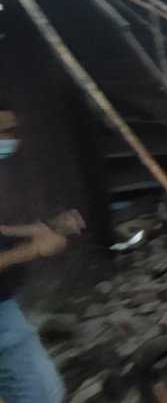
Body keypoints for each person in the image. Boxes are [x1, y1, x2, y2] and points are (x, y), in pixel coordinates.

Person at [0, 110, 81, 403]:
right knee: (41, 394)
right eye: (2, 132)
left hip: (6, 301)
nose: (9, 140)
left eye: (11, 131)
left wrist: (43, 229)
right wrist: (33, 249)